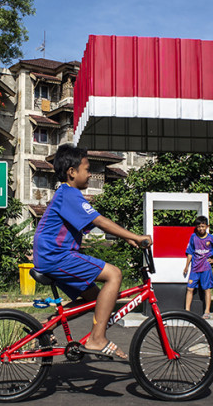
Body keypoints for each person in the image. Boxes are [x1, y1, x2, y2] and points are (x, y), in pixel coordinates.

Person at [33, 144, 151, 360]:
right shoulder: (69, 194)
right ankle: (97, 338)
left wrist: (127, 238)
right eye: (87, 169)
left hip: (53, 255)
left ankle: (47, 325)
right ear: (72, 172)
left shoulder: (66, 194)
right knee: (114, 274)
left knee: (96, 298)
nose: (90, 174)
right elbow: (98, 220)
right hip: (56, 256)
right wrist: (134, 236)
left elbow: (94, 223)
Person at [183, 215, 213, 317]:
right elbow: (190, 252)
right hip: (195, 268)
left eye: (203, 226)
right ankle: (187, 311)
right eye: (199, 226)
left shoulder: (211, 238)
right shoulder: (193, 237)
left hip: (205, 268)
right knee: (190, 288)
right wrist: (187, 266)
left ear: (207, 226)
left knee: (207, 289)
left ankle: (207, 312)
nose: (201, 228)